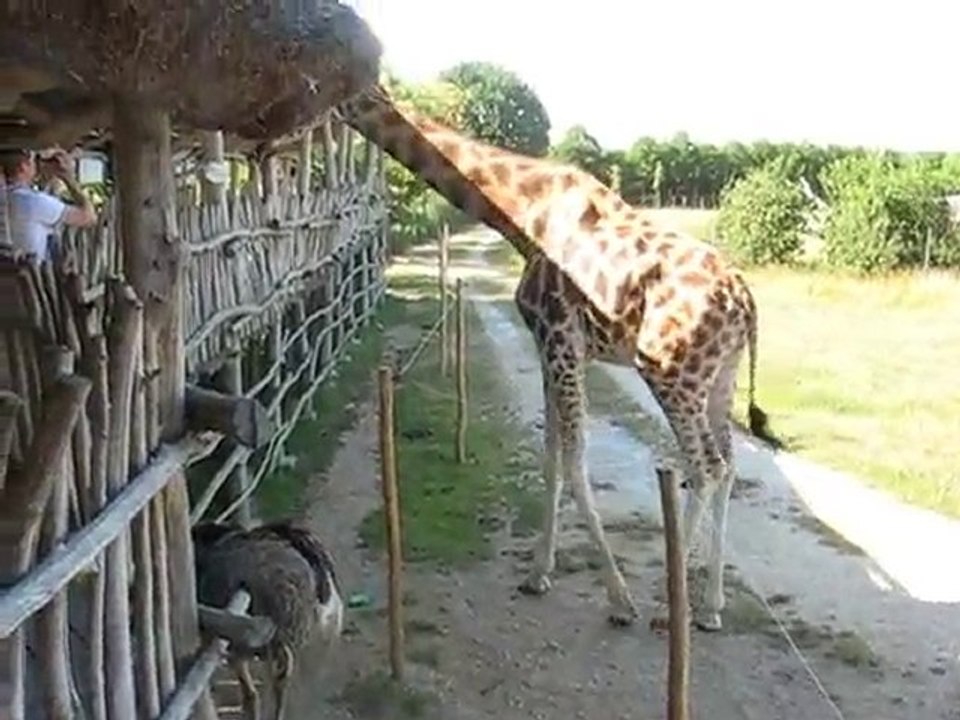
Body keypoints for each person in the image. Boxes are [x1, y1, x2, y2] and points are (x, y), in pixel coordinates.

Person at [0, 147, 97, 263]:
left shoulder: (11, 197)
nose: (37, 164)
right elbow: (88, 217)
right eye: (33, 161)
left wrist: (49, 174)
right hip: (29, 270)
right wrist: (69, 178)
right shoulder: (33, 201)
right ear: (23, 167)